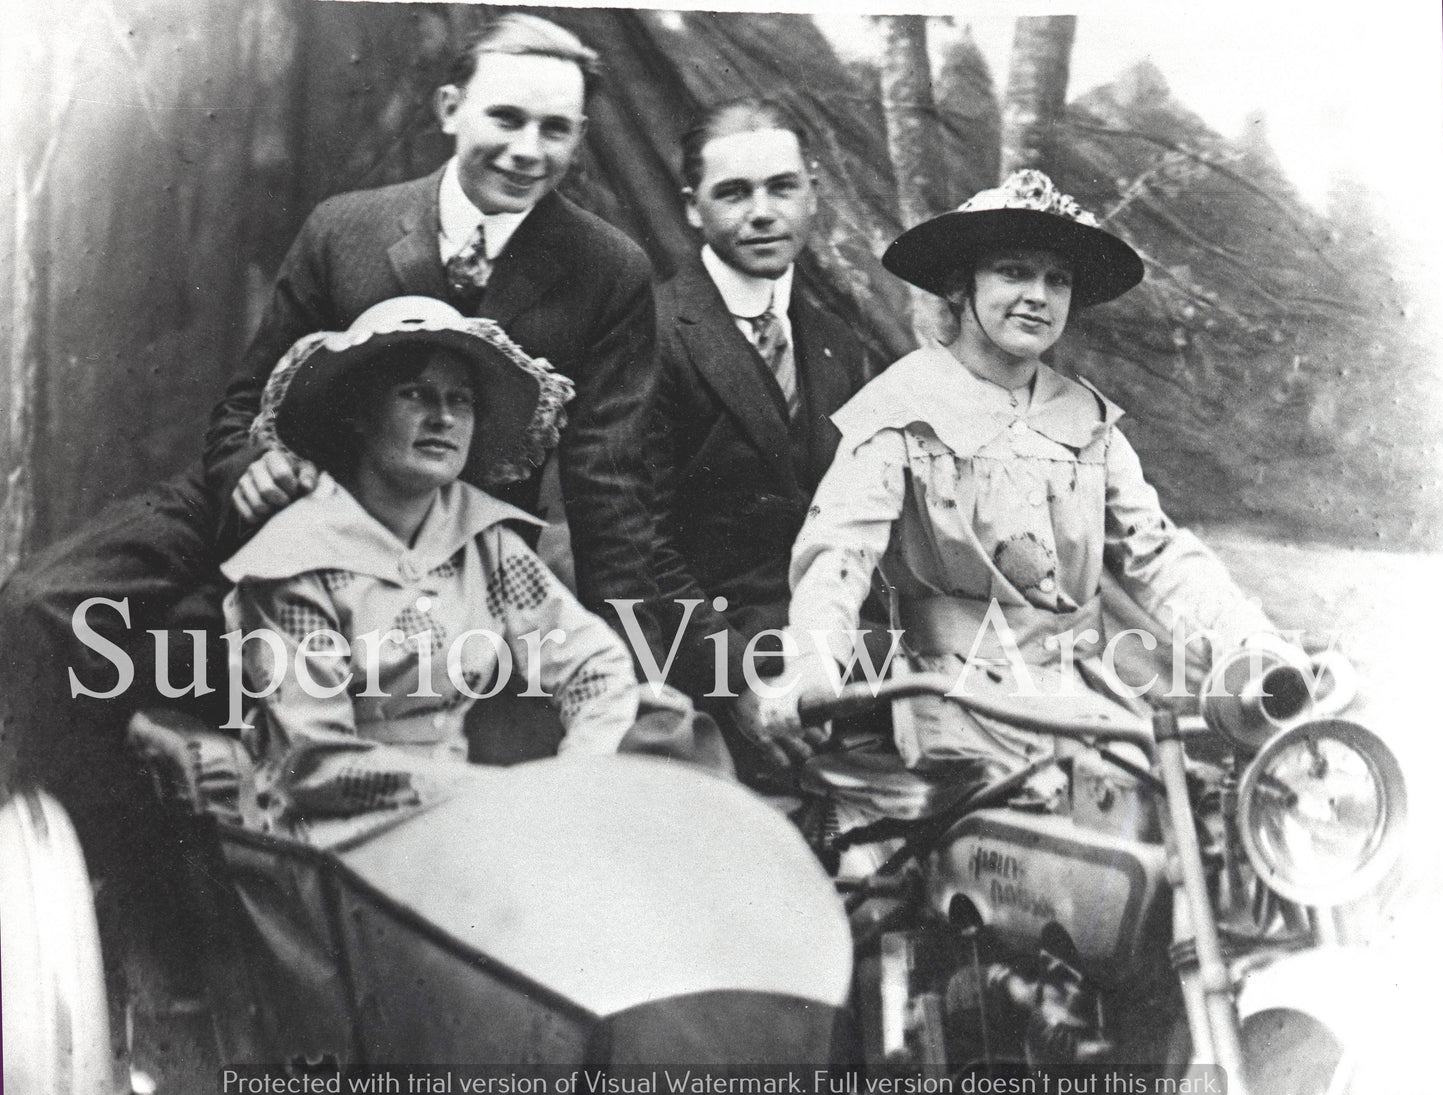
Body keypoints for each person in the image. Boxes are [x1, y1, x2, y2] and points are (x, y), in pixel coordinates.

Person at [0, 14, 667, 828]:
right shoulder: (347, 226)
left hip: (430, 546)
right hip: (270, 498)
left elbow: (605, 485)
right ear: (450, 107)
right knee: (42, 605)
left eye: (554, 130)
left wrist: (639, 659)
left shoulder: (607, 269)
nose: (528, 150)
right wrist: (253, 468)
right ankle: (112, 813)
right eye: (506, 118)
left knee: (375, 708)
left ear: (581, 137)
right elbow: (243, 406)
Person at [756, 170, 1288, 777]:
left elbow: (1157, 552)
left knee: (1192, 806)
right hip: (960, 699)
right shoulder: (902, 408)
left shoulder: (1085, 418)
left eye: (1056, 279)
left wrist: (1251, 639)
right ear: (961, 287)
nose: (1038, 295)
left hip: (1090, 687)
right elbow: (840, 553)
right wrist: (816, 661)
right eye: (1013, 272)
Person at [222, 296, 638, 841]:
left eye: (460, 399)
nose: (443, 418)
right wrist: (483, 797)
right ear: (359, 411)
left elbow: (595, 667)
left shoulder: (485, 542)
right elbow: (315, 761)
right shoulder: (298, 556)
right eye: (415, 393)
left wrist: (578, 778)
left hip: (469, 818)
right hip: (335, 831)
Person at [644, 99, 869, 782]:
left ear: (812, 193)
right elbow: (632, 542)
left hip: (829, 670)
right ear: (691, 207)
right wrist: (735, 686)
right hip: (701, 679)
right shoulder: (649, 334)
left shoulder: (837, 339)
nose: (763, 211)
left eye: (781, 187)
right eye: (733, 193)